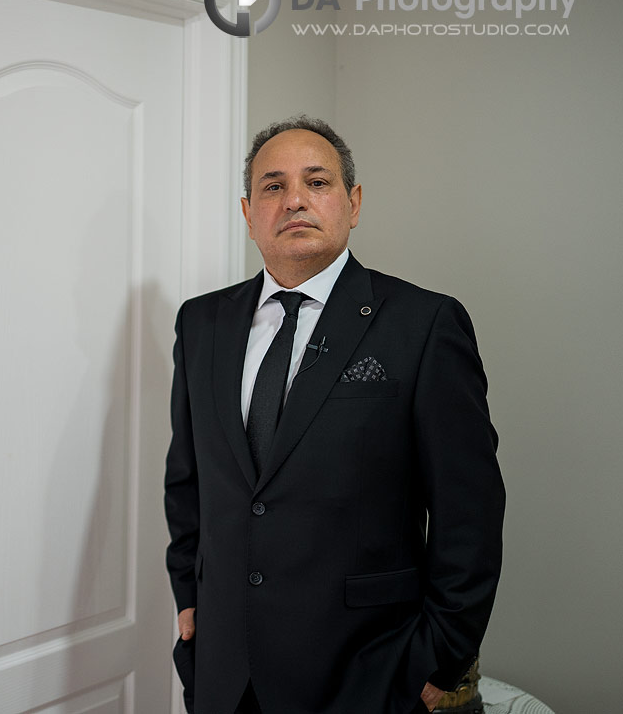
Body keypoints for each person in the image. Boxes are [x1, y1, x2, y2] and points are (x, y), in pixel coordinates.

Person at [163, 117, 505, 714]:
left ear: (353, 202)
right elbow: (189, 480)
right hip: (226, 672)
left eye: (316, 182)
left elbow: (468, 511)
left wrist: (442, 656)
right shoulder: (202, 324)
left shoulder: (423, 325)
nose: (294, 199)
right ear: (248, 213)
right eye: (272, 186)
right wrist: (189, 600)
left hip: (368, 673)